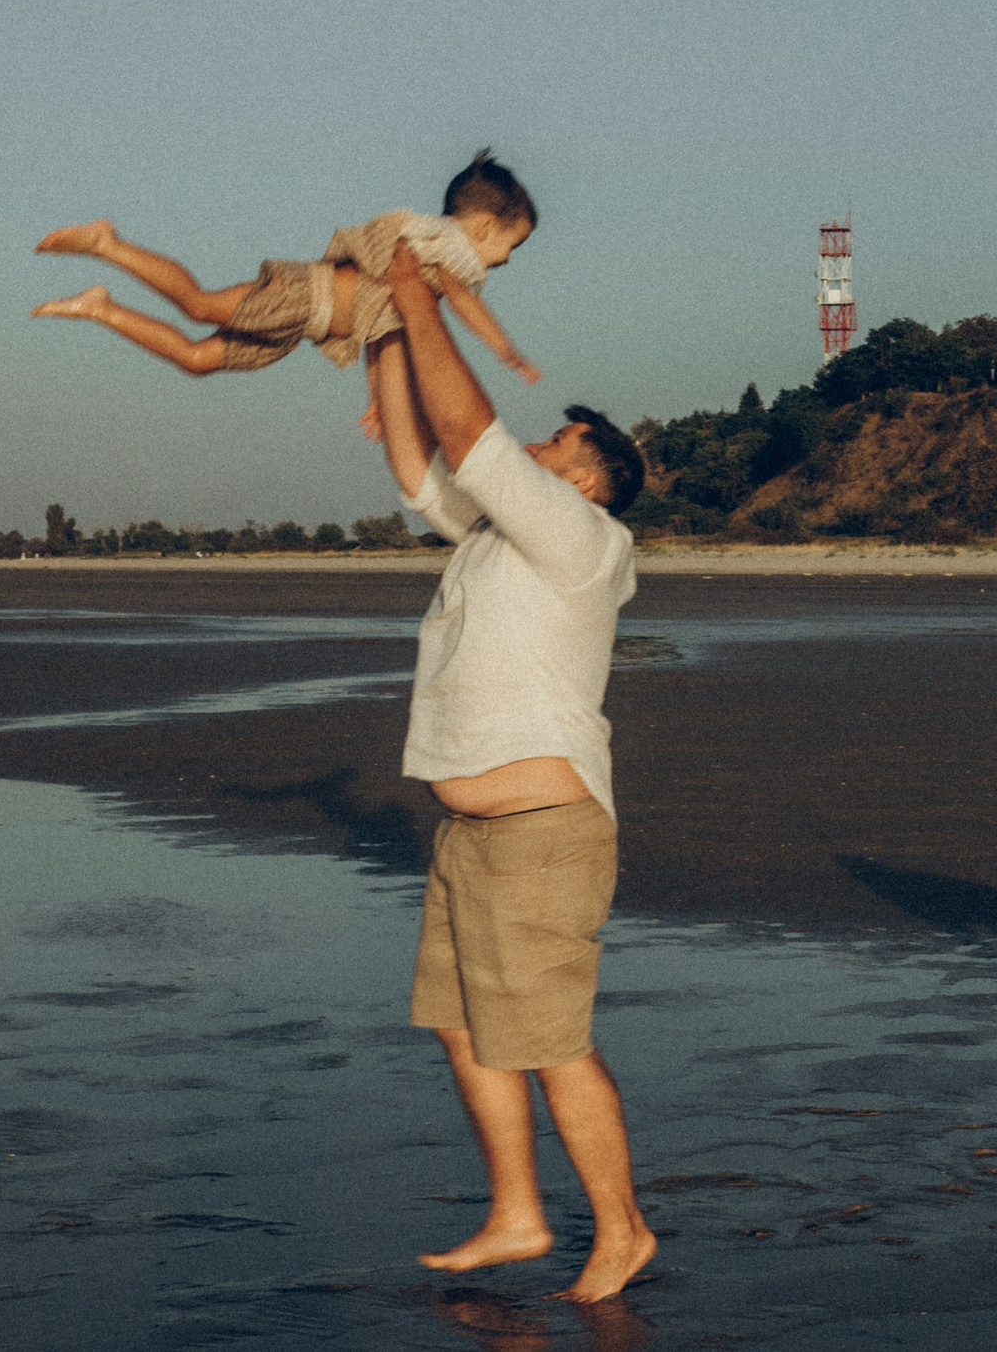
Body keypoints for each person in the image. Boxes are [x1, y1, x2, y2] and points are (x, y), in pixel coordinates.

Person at [363, 237, 654, 1299]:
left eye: (555, 438)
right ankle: (520, 1215)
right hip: (471, 833)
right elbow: (413, 460)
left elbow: (465, 426)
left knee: (547, 1040)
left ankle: (622, 1230)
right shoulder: (494, 534)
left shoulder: (579, 537)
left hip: (541, 832)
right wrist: (380, 333)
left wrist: (412, 288)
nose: (535, 445)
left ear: (583, 477)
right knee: (462, 1025)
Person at [32, 149, 543, 383]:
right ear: (481, 227)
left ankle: (101, 308)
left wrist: (375, 397)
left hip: (300, 324)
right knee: (200, 304)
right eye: (510, 246)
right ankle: (108, 243)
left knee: (196, 361)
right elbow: (462, 299)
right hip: (303, 298)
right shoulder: (451, 246)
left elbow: (379, 322)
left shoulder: (428, 259)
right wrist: (505, 349)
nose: (504, 261)